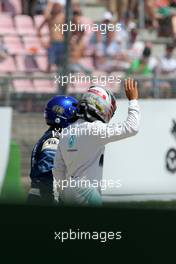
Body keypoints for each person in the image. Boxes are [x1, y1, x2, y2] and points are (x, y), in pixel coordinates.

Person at [53, 78, 140, 206]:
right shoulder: (95, 129)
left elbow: (58, 170)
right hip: (88, 193)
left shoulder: (66, 131)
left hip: (68, 191)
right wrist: (133, 100)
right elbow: (132, 127)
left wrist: (64, 192)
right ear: (101, 105)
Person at [28, 95, 78, 205]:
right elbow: (47, 173)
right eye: (74, 117)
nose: (76, 121)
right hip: (45, 197)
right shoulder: (54, 139)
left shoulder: (53, 135)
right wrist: (52, 199)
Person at [38, 3, 65, 72]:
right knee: (50, 60)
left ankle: (60, 76)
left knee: (60, 62)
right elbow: (39, 29)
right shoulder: (49, 17)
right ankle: (47, 76)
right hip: (52, 42)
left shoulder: (63, 17)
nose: (56, 9)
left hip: (62, 42)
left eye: (57, 7)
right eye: (55, 7)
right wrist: (42, 41)